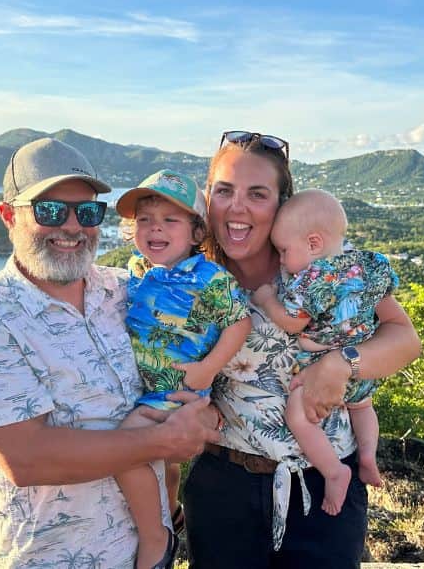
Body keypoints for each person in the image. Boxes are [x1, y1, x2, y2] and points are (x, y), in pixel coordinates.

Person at [0, 138, 220, 569]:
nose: (72, 227)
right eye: (50, 211)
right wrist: (164, 440)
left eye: (87, 212)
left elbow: (199, 338)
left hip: (148, 554)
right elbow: (27, 458)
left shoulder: (124, 291)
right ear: (8, 216)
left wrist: (203, 409)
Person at [182, 131, 422, 569]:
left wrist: (344, 363)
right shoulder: (191, 276)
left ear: (281, 205)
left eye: (257, 193)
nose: (237, 207)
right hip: (223, 488)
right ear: (208, 199)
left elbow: (405, 339)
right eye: (224, 191)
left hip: (324, 491)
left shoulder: (325, 268)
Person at [112, 169, 252, 569]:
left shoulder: (209, 277)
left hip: (174, 392)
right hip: (149, 386)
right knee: (167, 465)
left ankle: (155, 538)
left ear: (195, 233)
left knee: (126, 450)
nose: (155, 229)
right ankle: (171, 511)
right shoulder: (137, 269)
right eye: (144, 220)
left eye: (169, 220)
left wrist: (209, 369)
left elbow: (240, 322)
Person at [251, 188, 397, 516]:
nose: (282, 259)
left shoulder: (313, 278)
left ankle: (335, 470)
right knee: (362, 408)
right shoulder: (366, 263)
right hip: (361, 364)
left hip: (319, 365)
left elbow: (292, 322)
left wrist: (266, 300)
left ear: (313, 244)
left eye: (284, 250)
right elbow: (384, 292)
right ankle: (368, 455)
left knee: (298, 417)